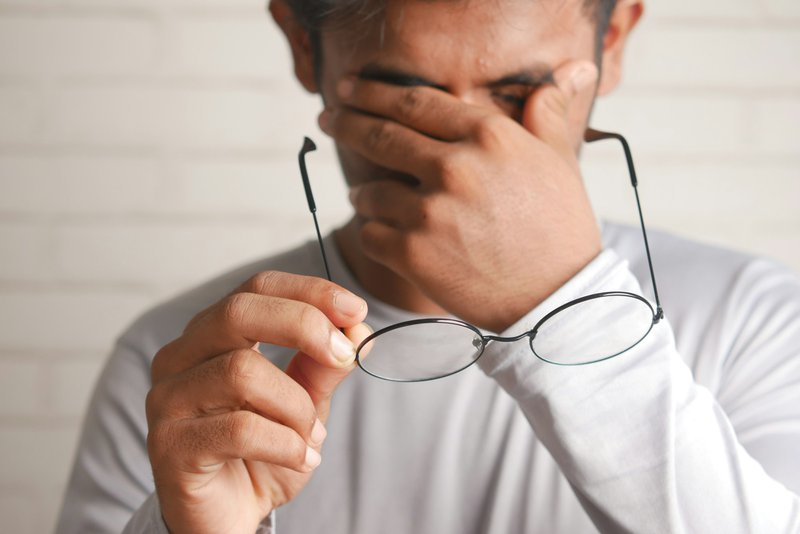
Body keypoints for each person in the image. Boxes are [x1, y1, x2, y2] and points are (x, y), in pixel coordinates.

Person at [57, 0, 800, 532]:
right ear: (303, 45)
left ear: (614, 37)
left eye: (518, 94)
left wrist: (561, 300)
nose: (467, 150)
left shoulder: (757, 323)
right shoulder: (191, 368)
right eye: (404, 98)